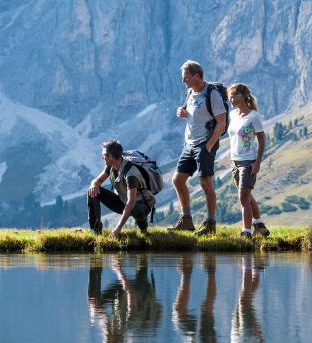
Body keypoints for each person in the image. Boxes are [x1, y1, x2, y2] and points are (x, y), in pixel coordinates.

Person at [169, 60, 227, 235]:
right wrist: (183, 112)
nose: (183, 80)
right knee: (177, 180)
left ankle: (210, 223)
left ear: (197, 75)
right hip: (190, 143)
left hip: (204, 144)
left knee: (205, 182)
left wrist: (209, 146)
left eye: (186, 76)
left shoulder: (212, 94)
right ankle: (186, 220)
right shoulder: (190, 92)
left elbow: (221, 122)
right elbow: (192, 112)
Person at [226, 83, 270, 238]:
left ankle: (246, 232)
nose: (230, 99)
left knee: (243, 197)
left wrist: (257, 162)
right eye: (229, 96)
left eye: (234, 95)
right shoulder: (232, 115)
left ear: (243, 96)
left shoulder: (254, 116)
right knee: (247, 195)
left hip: (248, 161)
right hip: (235, 161)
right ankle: (259, 225)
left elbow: (262, 141)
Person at [87, 140, 155, 237]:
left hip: (141, 204)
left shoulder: (131, 173)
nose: (102, 158)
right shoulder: (111, 165)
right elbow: (97, 181)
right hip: (123, 201)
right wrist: (94, 185)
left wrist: (118, 227)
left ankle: (143, 230)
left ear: (110, 156)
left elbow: (131, 202)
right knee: (92, 191)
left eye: (103, 155)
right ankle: (96, 232)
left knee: (135, 207)